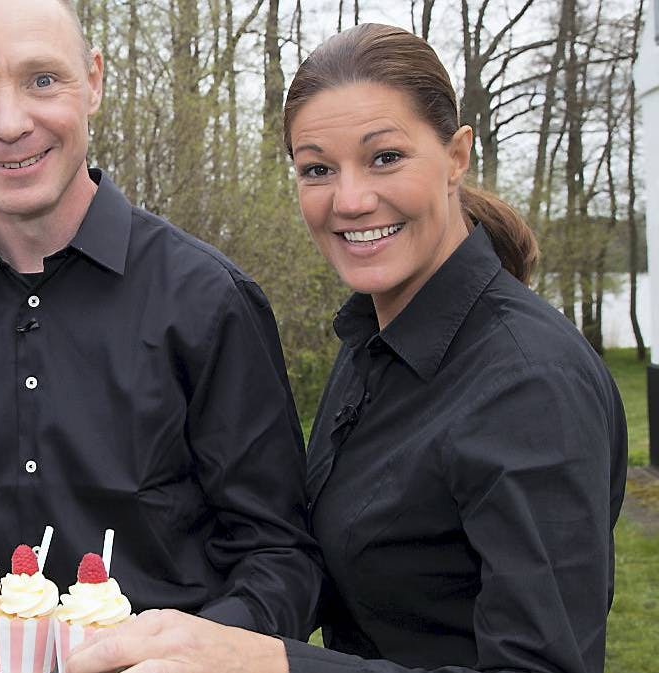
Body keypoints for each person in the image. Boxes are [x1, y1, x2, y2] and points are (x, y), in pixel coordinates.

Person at [66, 23, 627, 673]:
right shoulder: (374, 340)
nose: (352, 199)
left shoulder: (531, 384)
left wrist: (273, 663)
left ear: (456, 155)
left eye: (385, 156)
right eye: (318, 169)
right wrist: (197, 636)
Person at [0, 0, 321, 654]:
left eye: (43, 80)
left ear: (93, 80)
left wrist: (207, 652)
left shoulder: (210, 301)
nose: (9, 124)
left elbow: (279, 555)